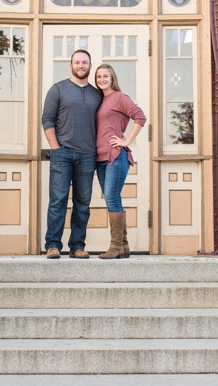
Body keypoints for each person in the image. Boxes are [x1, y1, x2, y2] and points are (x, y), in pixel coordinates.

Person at [42, 49, 102, 259]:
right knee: (57, 200)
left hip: (87, 155)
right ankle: (53, 245)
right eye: (77, 62)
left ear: (90, 65)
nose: (80, 66)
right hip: (62, 154)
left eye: (84, 62)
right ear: (71, 65)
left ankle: (77, 246)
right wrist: (55, 147)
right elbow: (47, 120)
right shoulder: (58, 89)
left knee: (82, 203)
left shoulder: (97, 94)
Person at [94, 63, 146, 260]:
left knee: (112, 198)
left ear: (112, 77)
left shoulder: (119, 97)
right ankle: (123, 246)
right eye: (98, 76)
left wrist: (126, 141)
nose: (101, 79)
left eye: (105, 76)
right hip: (99, 157)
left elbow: (140, 116)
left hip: (115, 155)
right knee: (113, 198)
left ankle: (115, 246)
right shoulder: (101, 100)